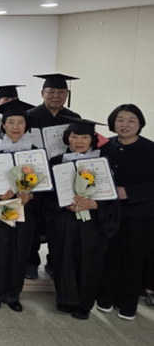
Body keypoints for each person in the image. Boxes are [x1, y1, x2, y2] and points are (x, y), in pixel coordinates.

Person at [45, 117, 120, 320]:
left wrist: (95, 205)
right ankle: (65, 299)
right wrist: (63, 203)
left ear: (92, 139)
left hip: (92, 223)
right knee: (62, 257)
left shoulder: (103, 163)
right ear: (67, 138)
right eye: (74, 136)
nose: (78, 141)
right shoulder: (57, 161)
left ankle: (84, 304)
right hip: (64, 220)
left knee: (89, 261)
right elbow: (47, 195)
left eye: (84, 137)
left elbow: (112, 196)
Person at [0, 99, 36, 312]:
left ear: (26, 125)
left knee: (18, 251)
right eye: (10, 122)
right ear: (3, 125)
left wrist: (31, 196)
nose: (15, 127)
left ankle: (13, 294)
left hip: (23, 209)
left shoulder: (35, 152)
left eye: (20, 122)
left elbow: (45, 184)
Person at [97, 104, 154, 321]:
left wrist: (128, 192)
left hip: (139, 214)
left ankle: (127, 303)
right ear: (113, 122)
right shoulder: (105, 146)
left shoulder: (150, 149)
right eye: (120, 119)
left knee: (133, 258)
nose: (125, 124)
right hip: (109, 212)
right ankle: (105, 297)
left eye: (131, 120)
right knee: (109, 255)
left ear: (140, 124)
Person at [25, 73, 81, 280]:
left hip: (62, 176)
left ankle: (53, 260)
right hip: (34, 175)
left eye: (61, 92)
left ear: (67, 94)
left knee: (59, 222)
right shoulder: (29, 116)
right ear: (42, 93)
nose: (56, 95)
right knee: (32, 220)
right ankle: (31, 261)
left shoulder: (74, 118)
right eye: (51, 91)